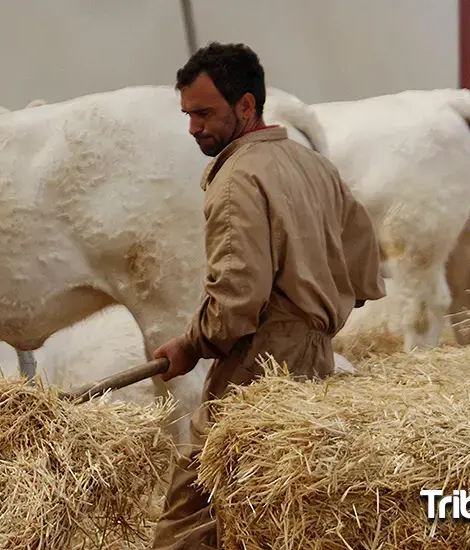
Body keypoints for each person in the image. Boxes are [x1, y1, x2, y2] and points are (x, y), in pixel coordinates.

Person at [150, 42, 385, 549]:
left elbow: (237, 302)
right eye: (189, 114)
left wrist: (190, 345)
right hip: (316, 361)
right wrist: (318, 309)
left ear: (247, 106)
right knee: (276, 509)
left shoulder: (236, 180)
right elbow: (365, 261)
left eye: (205, 113)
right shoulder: (313, 165)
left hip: (260, 364)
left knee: (194, 509)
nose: (194, 128)